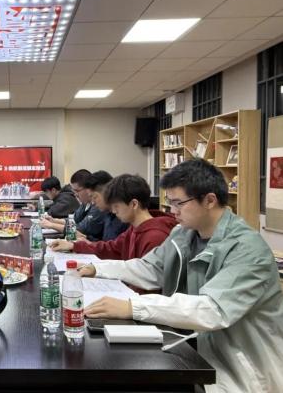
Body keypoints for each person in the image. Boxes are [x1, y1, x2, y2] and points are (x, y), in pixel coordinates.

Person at [77, 159, 283, 392]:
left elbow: (212, 310)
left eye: (178, 203)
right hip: (191, 353)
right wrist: (98, 269)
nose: (172, 211)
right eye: (170, 202)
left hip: (240, 368)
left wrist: (133, 307)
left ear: (209, 200)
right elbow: (151, 268)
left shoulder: (246, 248)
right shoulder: (184, 233)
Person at [51, 174, 175, 262]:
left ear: (134, 204)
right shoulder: (134, 228)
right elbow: (111, 248)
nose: (114, 211)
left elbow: (147, 282)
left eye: (116, 206)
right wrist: (74, 246)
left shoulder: (155, 237)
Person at [40, 169, 105, 240]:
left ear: (88, 188)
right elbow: (74, 220)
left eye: (77, 191)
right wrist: (54, 220)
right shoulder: (85, 204)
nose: (75, 194)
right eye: (74, 191)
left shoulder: (98, 207)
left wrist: (52, 225)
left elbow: (80, 229)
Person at [83, 171, 129, 241]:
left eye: (94, 197)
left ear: (106, 192)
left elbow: (116, 247)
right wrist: (86, 238)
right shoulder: (108, 214)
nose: (93, 202)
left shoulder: (123, 217)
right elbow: (107, 244)